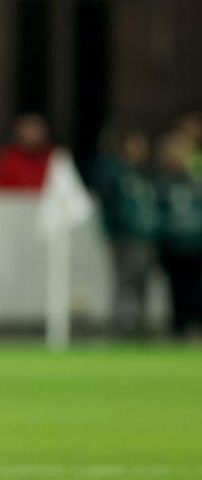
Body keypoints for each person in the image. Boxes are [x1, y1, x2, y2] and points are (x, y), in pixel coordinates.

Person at [93, 128, 160, 335]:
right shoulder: (114, 172)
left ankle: (139, 321)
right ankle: (122, 323)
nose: (139, 149)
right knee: (125, 279)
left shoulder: (146, 173)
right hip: (123, 236)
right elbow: (106, 199)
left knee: (142, 279)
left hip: (145, 236)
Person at [154, 133, 202, 337]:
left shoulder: (195, 182)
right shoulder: (162, 184)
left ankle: (194, 323)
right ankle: (179, 325)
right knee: (176, 287)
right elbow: (157, 212)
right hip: (172, 243)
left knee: (195, 286)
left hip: (195, 242)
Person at [0, 113, 54, 190]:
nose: (32, 133)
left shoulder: (54, 157)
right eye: (28, 127)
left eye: (36, 128)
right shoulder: (6, 159)